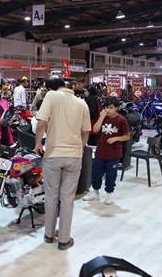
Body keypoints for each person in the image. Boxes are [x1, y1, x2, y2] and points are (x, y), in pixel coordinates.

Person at [35, 76, 90, 250]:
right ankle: (64, 240)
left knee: (51, 196)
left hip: (53, 154)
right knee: (68, 199)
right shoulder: (82, 103)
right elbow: (86, 131)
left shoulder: (51, 96)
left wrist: (38, 143)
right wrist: (80, 148)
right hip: (74, 156)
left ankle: (49, 235)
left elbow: (42, 123)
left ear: (50, 88)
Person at [83, 97, 130, 205]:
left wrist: (116, 138)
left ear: (116, 108)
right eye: (106, 108)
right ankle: (95, 192)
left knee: (111, 175)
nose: (108, 110)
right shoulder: (103, 118)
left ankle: (109, 194)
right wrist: (101, 117)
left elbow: (127, 136)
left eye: (111, 108)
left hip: (114, 153)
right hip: (100, 151)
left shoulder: (121, 120)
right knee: (96, 173)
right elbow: (95, 129)